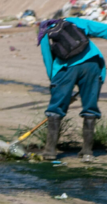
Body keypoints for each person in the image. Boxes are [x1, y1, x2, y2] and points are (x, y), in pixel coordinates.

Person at [38, 18, 106, 162]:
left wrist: (56, 85)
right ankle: (87, 152)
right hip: (92, 64)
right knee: (90, 108)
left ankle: (50, 151)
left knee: (55, 110)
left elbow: (48, 59)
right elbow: (103, 29)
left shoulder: (44, 31)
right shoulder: (73, 21)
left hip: (65, 69)